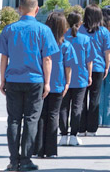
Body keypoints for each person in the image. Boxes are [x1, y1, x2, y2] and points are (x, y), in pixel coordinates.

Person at [0, 0, 59, 172]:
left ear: (19, 9)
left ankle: (13, 161)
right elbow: (47, 59)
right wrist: (48, 83)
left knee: (14, 120)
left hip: (13, 80)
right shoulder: (44, 30)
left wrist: (2, 80)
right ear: (37, 9)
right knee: (31, 120)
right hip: (35, 80)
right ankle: (25, 160)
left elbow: (4, 57)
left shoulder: (9, 29)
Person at [35, 12, 76, 158]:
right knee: (53, 114)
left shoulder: (41, 42)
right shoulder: (65, 45)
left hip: (41, 81)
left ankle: (38, 149)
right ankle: (51, 150)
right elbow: (68, 66)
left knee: (41, 115)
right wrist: (68, 83)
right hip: (58, 83)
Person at [78, 4, 110, 136]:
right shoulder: (104, 31)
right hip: (98, 67)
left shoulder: (80, 29)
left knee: (81, 98)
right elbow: (107, 52)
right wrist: (107, 66)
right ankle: (92, 129)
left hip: (82, 67)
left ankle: (80, 128)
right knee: (95, 98)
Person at [59, 11, 93, 147]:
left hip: (63, 77)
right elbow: (89, 60)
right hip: (80, 76)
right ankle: (74, 135)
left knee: (63, 107)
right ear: (80, 23)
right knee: (77, 107)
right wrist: (89, 75)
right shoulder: (85, 39)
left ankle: (63, 135)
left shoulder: (62, 38)